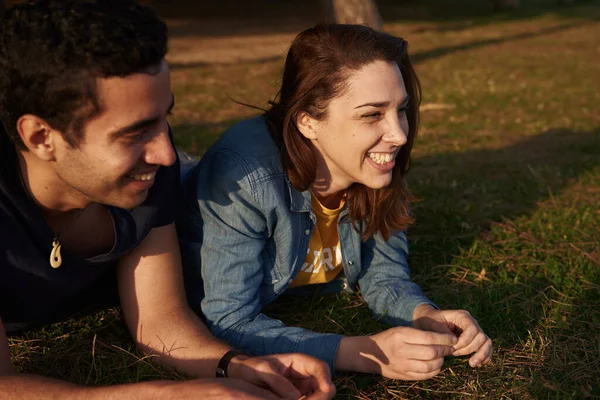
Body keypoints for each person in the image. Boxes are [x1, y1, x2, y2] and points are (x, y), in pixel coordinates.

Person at [0, 1, 335, 399]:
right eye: (134, 133)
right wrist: (164, 396)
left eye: (165, 119)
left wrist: (236, 365)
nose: (165, 154)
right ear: (41, 138)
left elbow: (159, 319)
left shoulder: (147, 173)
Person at [178, 24, 493, 380]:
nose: (399, 134)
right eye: (372, 114)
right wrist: (362, 353)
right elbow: (229, 320)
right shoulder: (242, 183)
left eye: (400, 109)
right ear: (308, 122)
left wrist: (422, 314)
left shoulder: (370, 162)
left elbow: (384, 271)